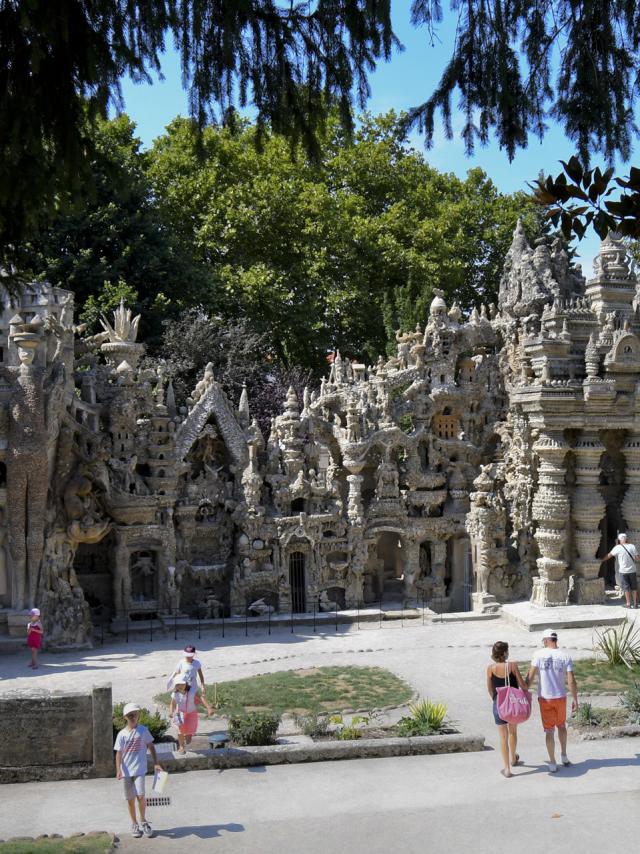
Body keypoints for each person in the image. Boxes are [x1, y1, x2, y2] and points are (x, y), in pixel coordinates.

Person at [526, 629, 578, 773]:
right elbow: (571, 680)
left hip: (545, 698)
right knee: (561, 726)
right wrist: (575, 699)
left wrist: (523, 691)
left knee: (549, 731)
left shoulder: (538, 654)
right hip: (560, 697)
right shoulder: (565, 656)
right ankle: (564, 755)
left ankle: (553, 762)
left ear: (546, 640)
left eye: (543, 640)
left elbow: (530, 677)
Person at [114, 702, 163, 839]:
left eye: (135, 714)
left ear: (138, 716)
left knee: (141, 796)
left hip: (140, 770)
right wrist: (118, 770)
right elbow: (118, 753)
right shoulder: (122, 734)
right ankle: (134, 823)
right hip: (126, 772)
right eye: (130, 715)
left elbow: (151, 746)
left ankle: (143, 821)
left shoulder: (143, 730)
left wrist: (156, 763)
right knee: (130, 799)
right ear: (125, 717)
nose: (133, 717)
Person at [486, 641, 530, 778]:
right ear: (505, 652)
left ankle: (506, 769)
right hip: (512, 704)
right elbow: (523, 686)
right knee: (513, 732)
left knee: (503, 737)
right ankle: (513, 758)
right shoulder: (512, 666)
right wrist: (529, 676)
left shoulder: (490, 668)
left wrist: (497, 700)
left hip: (498, 704)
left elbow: (490, 689)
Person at [169, 676, 213, 754]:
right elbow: (172, 704)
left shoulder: (192, 691)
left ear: (186, 683)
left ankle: (189, 734)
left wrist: (209, 708)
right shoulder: (175, 693)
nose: (180, 686)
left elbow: (201, 698)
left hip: (191, 713)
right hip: (180, 714)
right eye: (177, 684)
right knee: (180, 731)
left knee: (188, 738)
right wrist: (171, 712)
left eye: (181, 684)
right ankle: (181, 747)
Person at [602, 532, 638, 608]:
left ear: (619, 540)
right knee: (634, 587)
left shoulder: (618, 547)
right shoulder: (632, 546)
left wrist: (601, 560)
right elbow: (637, 558)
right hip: (632, 570)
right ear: (626, 539)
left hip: (623, 571)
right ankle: (635, 604)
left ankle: (628, 604)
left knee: (626, 588)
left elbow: (609, 555)